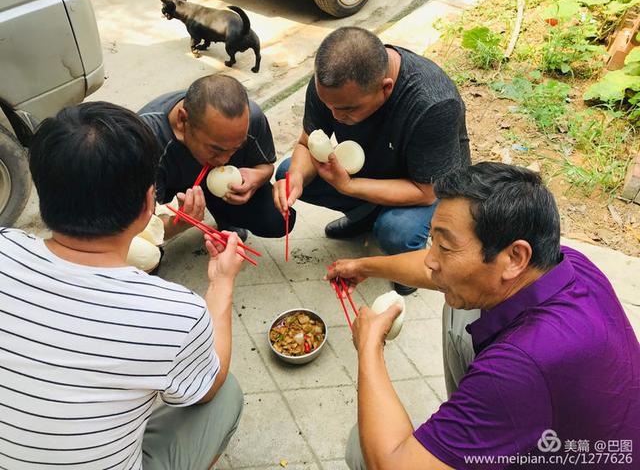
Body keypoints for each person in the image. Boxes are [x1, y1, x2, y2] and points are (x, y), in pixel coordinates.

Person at [326, 163, 640, 469]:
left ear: (515, 257)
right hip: (587, 429)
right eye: (433, 241)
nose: (432, 260)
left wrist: (369, 347)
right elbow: (432, 268)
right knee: (459, 305)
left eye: (445, 247)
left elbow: (391, 463)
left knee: (362, 450)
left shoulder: (518, 368)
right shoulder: (564, 264)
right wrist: (363, 266)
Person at [0, 102, 245, 469]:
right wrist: (221, 283)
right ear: (150, 201)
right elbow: (209, 386)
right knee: (224, 395)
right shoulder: (176, 312)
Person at [274, 26, 470, 295]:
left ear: (385, 88)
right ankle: (364, 218)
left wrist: (349, 187)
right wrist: (295, 177)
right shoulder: (331, 85)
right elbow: (306, 143)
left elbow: (426, 192)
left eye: (346, 109)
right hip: (372, 167)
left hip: (428, 182)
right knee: (286, 171)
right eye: (327, 105)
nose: (334, 115)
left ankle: (405, 265)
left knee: (395, 230)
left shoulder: (432, 103)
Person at [139, 74, 295, 242]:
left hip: (224, 188)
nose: (224, 160)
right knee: (144, 254)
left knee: (279, 219)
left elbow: (265, 165)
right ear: (182, 120)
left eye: (236, 148)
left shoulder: (251, 119)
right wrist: (180, 223)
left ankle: (224, 214)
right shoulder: (144, 143)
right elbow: (139, 228)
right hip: (169, 188)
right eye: (215, 149)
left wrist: (256, 178)